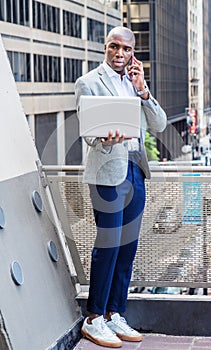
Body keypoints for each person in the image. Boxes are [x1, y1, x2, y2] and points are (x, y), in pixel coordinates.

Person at [75, 26, 167, 348]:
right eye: (114, 47)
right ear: (106, 48)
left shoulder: (134, 84)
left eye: (126, 49)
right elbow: (88, 134)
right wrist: (104, 138)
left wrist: (143, 91)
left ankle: (115, 313)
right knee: (109, 245)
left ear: (132, 53)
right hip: (106, 175)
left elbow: (159, 125)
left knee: (128, 248)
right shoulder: (88, 82)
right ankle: (94, 319)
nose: (120, 54)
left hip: (135, 172)